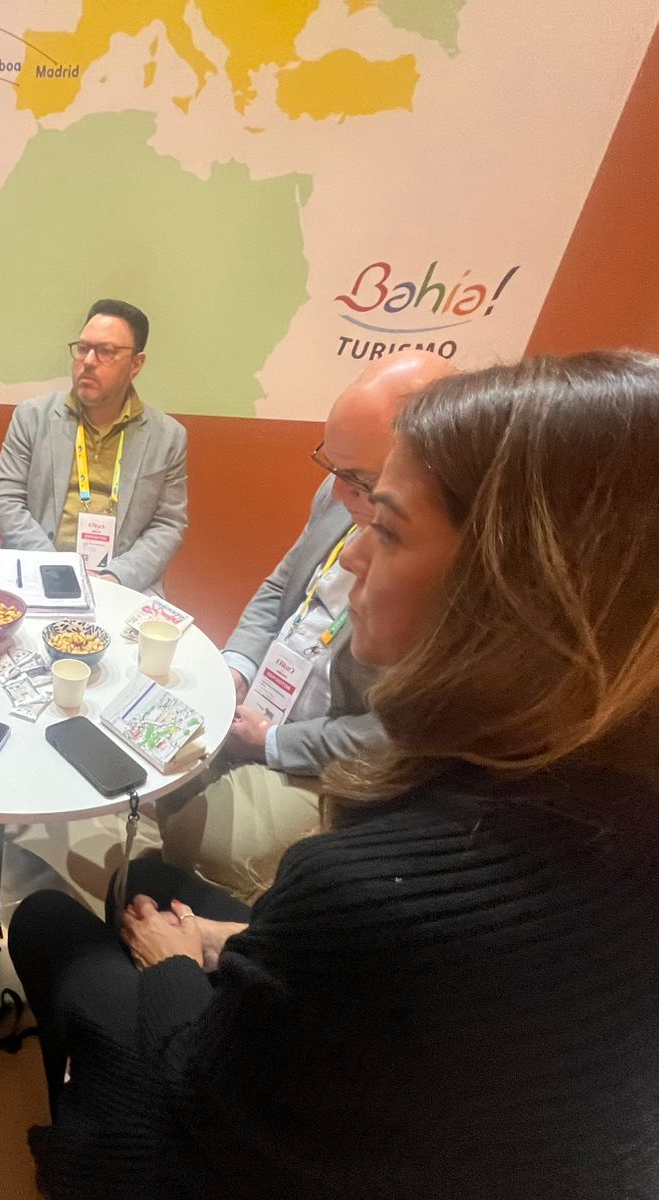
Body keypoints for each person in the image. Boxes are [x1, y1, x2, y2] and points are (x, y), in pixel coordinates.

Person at [9, 351, 659, 1199]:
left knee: (49, 924)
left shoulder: (365, 886)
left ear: (513, 587)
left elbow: (202, 1095)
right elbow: (405, 1011)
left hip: (229, 1158)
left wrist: (174, 964)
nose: (354, 557)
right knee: (151, 881)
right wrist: (234, 943)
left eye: (388, 528)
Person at [156, 351, 451, 898]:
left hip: (326, 751)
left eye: (359, 479)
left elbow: (398, 733)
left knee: (201, 835)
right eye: (331, 467)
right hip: (261, 704)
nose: (337, 493)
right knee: (153, 752)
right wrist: (235, 670)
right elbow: (279, 589)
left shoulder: (454, 568)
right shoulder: (341, 494)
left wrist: (273, 741)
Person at [0, 299, 187, 594]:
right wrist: (56, 568)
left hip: (121, 582)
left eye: (106, 351)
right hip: (38, 568)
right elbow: (5, 499)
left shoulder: (167, 436)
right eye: (83, 348)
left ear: (136, 364)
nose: (89, 361)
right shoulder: (33, 417)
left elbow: (168, 524)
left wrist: (118, 577)